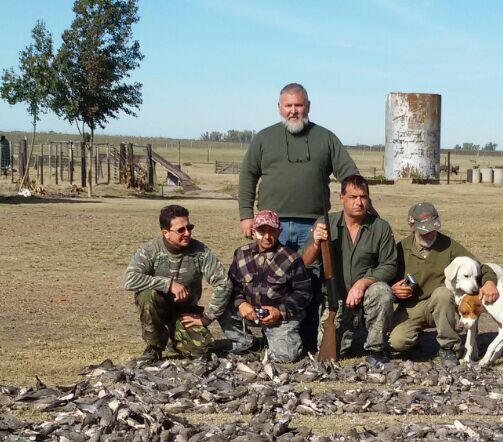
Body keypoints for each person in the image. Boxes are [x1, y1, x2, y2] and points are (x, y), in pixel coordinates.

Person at [239, 83, 359, 352]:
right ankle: (275, 333)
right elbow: (247, 176)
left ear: (308, 106)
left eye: (299, 105)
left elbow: (348, 173)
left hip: (313, 224)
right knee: (273, 280)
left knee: (311, 281)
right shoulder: (264, 139)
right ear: (279, 107)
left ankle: (309, 337)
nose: (294, 111)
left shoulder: (325, 138)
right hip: (272, 225)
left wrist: (359, 203)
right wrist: (246, 215)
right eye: (288, 106)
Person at [389, 202, 499, 367]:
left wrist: (489, 282)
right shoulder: (400, 249)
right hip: (412, 307)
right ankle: (415, 339)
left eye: (433, 228)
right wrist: (393, 290)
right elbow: (386, 277)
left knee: (443, 293)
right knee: (396, 343)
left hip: (441, 304)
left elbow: (479, 267)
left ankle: (449, 347)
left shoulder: (448, 245)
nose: (430, 233)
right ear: (412, 228)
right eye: (424, 230)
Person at [306, 174, 396, 364]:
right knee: (335, 353)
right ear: (341, 198)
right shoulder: (325, 224)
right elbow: (304, 263)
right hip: (335, 299)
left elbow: (389, 265)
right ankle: (347, 332)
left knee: (383, 292)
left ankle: (376, 349)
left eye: (363, 197)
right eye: (353, 197)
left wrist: (362, 284)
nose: (359, 202)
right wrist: (315, 244)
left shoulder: (380, 227)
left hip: (365, 296)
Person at [123, 204, 231, 362]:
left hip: (186, 312)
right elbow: (129, 280)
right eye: (181, 230)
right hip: (158, 309)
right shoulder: (150, 250)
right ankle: (155, 346)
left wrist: (208, 317)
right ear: (165, 233)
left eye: (189, 227)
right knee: (147, 296)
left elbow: (223, 283)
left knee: (202, 351)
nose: (187, 233)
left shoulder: (200, 251)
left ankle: (175, 339)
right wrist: (168, 284)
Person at [219, 210, 312, 362]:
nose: (267, 236)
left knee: (286, 357)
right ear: (254, 231)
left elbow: (304, 292)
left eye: (272, 231)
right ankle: (245, 342)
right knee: (220, 305)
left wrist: (279, 311)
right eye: (262, 231)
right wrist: (240, 303)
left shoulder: (291, 258)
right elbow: (232, 286)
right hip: (249, 312)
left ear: (279, 232)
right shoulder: (241, 254)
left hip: (280, 317)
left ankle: (275, 338)